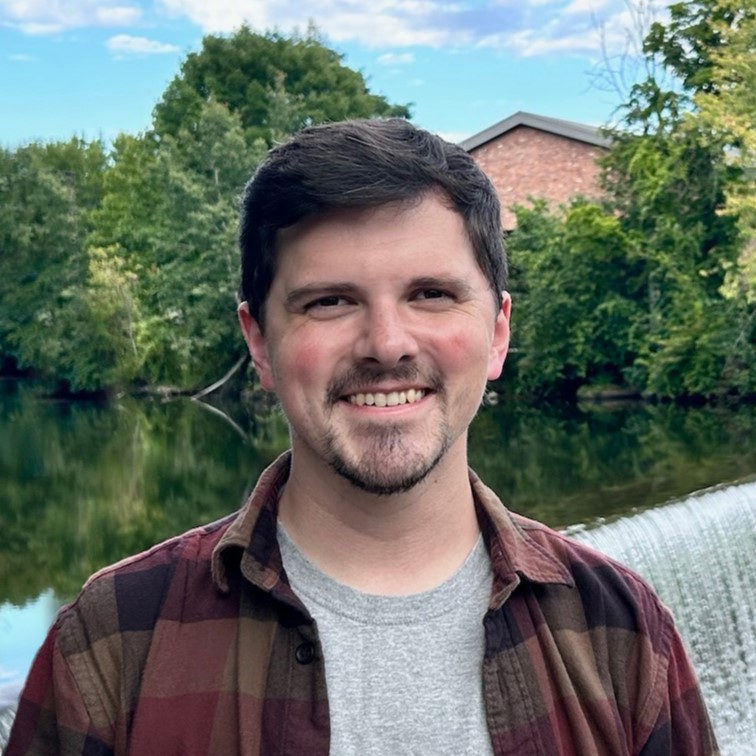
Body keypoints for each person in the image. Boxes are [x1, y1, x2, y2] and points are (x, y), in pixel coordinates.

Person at [6, 118, 717, 755]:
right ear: (259, 341)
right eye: (330, 301)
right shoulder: (115, 642)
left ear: (497, 332)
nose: (385, 343)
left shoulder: (620, 631)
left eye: (430, 294)